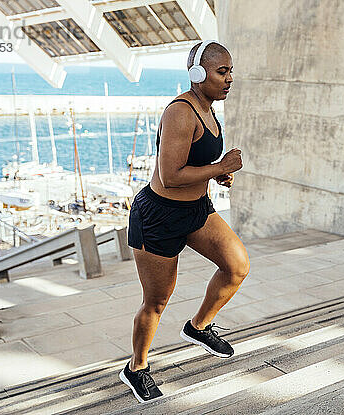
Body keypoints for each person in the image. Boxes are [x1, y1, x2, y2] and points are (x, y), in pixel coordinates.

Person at [118, 40, 250, 403]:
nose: (229, 79)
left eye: (230, 71)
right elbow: (171, 175)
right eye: (222, 72)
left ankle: (199, 327)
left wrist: (216, 176)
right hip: (158, 216)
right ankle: (136, 368)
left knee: (236, 266)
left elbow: (194, 166)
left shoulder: (209, 108)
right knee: (156, 302)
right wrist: (221, 167)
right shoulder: (180, 112)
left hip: (195, 211)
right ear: (198, 74)